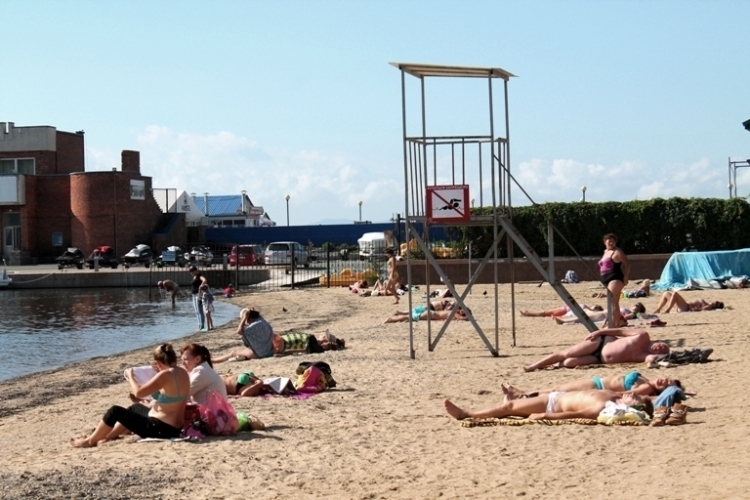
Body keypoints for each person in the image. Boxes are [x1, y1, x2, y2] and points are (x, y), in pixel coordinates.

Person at [71, 343, 190, 447]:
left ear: (158, 363)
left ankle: (90, 441)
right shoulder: (183, 372)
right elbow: (169, 396)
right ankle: (107, 436)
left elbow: (138, 392)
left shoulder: (165, 375)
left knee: (115, 411)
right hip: (174, 428)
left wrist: (131, 376)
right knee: (135, 408)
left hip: (159, 429)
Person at [444, 389, 653, 421]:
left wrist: (545, 417)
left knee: (509, 410)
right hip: (555, 396)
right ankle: (510, 402)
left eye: (635, 398)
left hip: (551, 407)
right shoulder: (615, 394)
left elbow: (576, 414)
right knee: (513, 405)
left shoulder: (605, 408)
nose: (632, 393)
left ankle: (467, 414)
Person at [522, 328, 670, 372]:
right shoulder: (643, 336)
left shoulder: (644, 355)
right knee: (566, 353)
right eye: (661, 344)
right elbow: (620, 331)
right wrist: (600, 332)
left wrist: (658, 360)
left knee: (569, 362)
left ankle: (554, 365)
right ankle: (534, 366)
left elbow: (650, 361)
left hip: (599, 359)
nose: (659, 347)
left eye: (661, 350)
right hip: (602, 343)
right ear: (657, 340)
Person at [500, 373, 682, 402]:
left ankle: (520, 396)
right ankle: (521, 393)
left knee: (557, 391)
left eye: (666, 385)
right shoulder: (647, 381)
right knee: (556, 388)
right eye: (666, 379)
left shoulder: (646, 389)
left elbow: (623, 393)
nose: (663, 381)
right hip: (596, 382)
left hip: (597, 386)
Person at [599, 233, 630, 327]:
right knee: (611, 302)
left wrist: (626, 276)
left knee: (613, 302)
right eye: (609, 241)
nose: (611, 243)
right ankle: (616, 322)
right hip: (606, 279)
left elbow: (627, 264)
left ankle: (614, 324)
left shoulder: (617, 252)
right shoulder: (605, 252)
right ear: (605, 242)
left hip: (615, 278)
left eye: (613, 241)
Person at [554, 303, 646, 326]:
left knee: (584, 317)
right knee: (585, 315)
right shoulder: (627, 309)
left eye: (637, 306)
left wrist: (635, 313)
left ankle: (563, 321)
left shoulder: (632, 314)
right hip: (605, 313)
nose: (634, 306)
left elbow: (625, 318)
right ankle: (564, 319)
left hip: (605, 315)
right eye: (635, 304)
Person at [385, 303, 470, 323]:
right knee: (409, 317)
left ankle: (394, 318)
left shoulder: (451, 311)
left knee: (409, 316)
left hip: (431, 313)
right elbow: (462, 318)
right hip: (431, 314)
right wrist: (469, 318)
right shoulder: (453, 313)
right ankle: (391, 320)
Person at [653, 291, 724, 313]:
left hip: (686, 307)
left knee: (675, 294)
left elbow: (703, 309)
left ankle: (668, 310)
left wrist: (696, 309)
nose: (714, 301)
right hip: (683, 306)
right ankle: (658, 310)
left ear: (715, 305)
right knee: (666, 294)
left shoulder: (709, 306)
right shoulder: (708, 303)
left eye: (716, 302)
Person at [189, 266, 208, 332]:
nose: (192, 273)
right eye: (191, 272)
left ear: (196, 270)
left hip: (198, 295)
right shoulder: (194, 277)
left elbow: (205, 280)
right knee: (197, 311)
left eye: (193, 271)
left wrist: (200, 287)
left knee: (200, 311)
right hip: (194, 295)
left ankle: (202, 326)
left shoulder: (199, 276)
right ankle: (199, 325)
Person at [521, 304, 602, 318]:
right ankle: (528, 313)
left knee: (545, 313)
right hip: (565, 309)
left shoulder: (587, 310)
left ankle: (529, 314)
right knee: (546, 312)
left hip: (565, 311)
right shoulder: (587, 308)